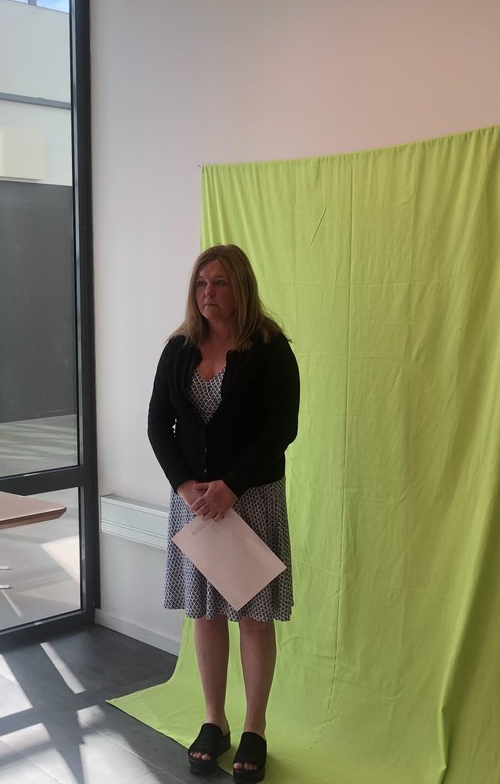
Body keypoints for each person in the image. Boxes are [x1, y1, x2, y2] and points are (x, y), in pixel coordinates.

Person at [147, 244, 300, 784]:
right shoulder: (178, 350)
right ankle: (215, 721)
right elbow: (158, 424)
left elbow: (282, 427)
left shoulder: (271, 349)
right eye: (201, 283)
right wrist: (185, 484)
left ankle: (255, 728)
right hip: (194, 504)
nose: (208, 293)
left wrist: (231, 487)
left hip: (250, 499)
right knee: (206, 614)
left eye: (219, 283)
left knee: (254, 618)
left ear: (241, 287)